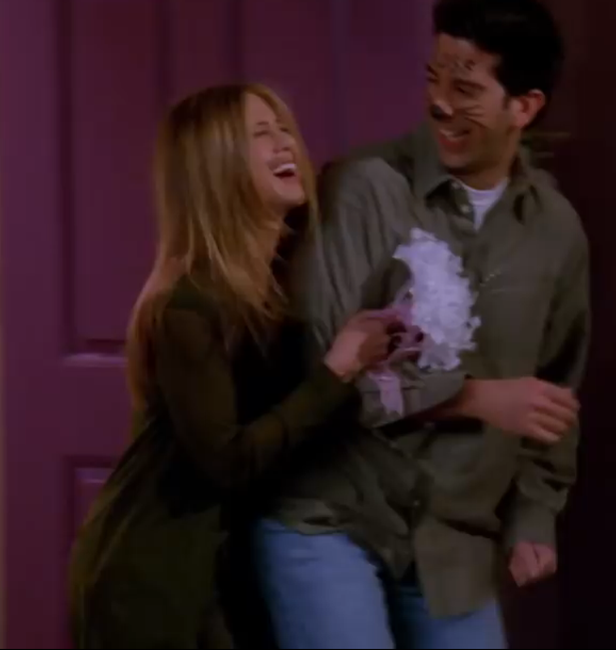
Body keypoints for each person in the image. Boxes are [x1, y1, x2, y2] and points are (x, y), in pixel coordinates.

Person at [252, 0, 590, 649]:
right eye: (433, 78)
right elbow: (324, 370)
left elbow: (554, 387)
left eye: (465, 88)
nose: (439, 102)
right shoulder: (364, 186)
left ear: (523, 107)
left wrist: (534, 512)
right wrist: (471, 397)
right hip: (333, 515)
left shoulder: (554, 230)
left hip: (452, 538)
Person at [67, 83, 399, 649]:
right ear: (216, 168)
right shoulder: (189, 306)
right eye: (260, 134)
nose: (286, 143)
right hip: (155, 578)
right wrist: (339, 369)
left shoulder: (277, 286)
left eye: (284, 128)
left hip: (224, 570)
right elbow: (229, 461)